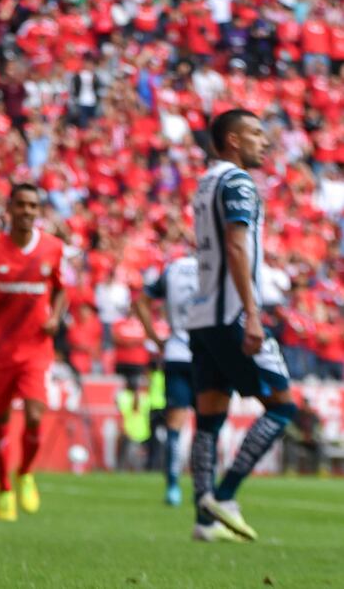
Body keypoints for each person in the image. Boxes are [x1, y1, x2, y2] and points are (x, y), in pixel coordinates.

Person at [186, 109, 296, 543]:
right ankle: (226, 496)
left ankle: (204, 520)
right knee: (283, 407)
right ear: (232, 140)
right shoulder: (237, 181)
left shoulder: (205, 182)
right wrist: (252, 313)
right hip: (232, 313)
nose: (263, 142)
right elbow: (236, 244)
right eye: (255, 134)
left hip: (202, 316)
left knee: (210, 416)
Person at [0, 183, 66, 522]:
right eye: (21, 205)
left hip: (36, 350)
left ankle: (25, 472)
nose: (27, 211)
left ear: (38, 210)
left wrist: (56, 317)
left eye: (33, 205)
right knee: (0, 422)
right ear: (10, 208)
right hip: (0, 352)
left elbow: (64, 289)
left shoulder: (53, 249)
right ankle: (4, 487)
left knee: (35, 416)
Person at [132, 255, 199, 506]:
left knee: (175, 423)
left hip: (177, 351)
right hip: (207, 354)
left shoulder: (173, 270)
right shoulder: (217, 263)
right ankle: (204, 487)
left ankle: (173, 487)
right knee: (207, 424)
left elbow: (141, 302)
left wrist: (156, 338)